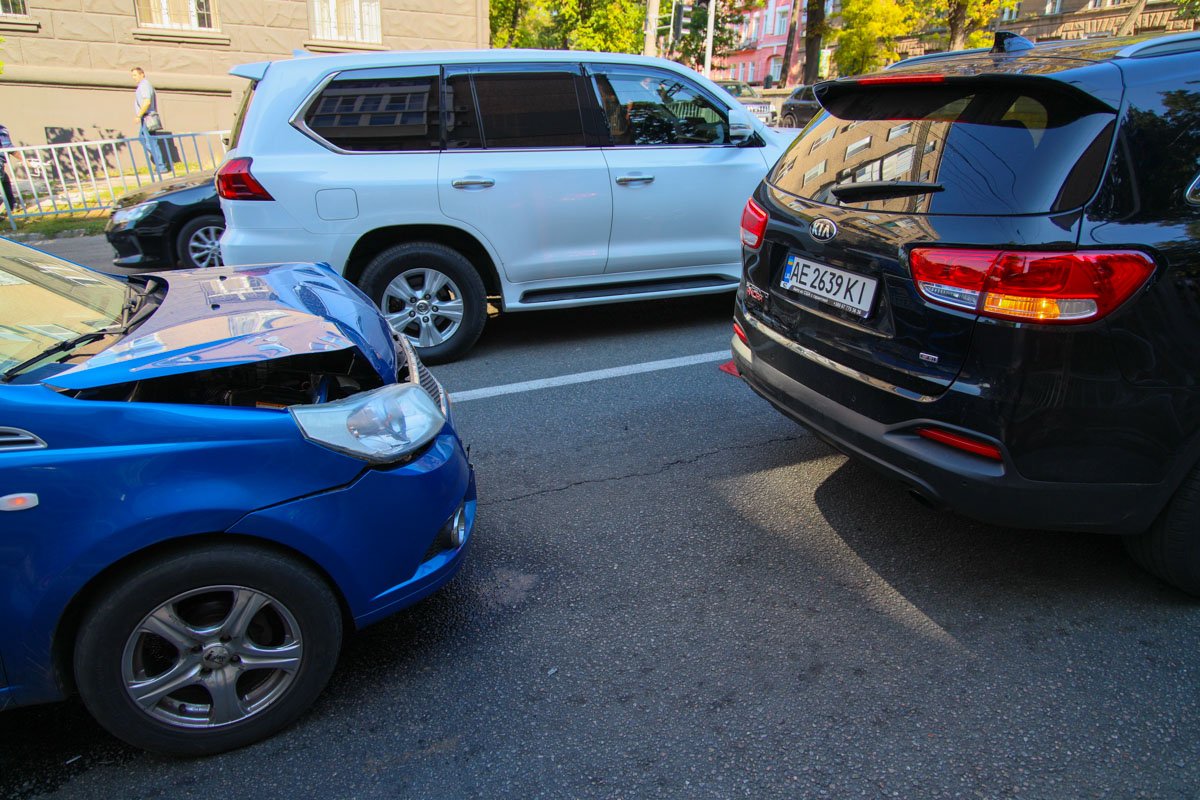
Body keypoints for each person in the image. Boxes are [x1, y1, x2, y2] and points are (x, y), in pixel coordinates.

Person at [131, 67, 169, 175]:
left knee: (151, 141)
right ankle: (159, 164)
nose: (134, 78)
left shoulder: (144, 85)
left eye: (135, 75)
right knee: (144, 139)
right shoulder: (143, 85)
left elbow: (147, 102)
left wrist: (139, 115)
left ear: (142, 74)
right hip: (146, 116)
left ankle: (161, 166)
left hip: (148, 117)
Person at [0, 123, 16, 213]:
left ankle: (11, 205)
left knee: (5, 181)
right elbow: (8, 147)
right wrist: (25, 160)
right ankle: (11, 205)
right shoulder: (1, 129)